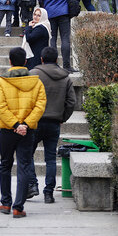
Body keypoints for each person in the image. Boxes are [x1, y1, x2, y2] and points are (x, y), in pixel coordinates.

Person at [0, 47, 46, 218]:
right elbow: (40, 106)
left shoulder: (2, 82)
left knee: (5, 164)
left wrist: (15, 124)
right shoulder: (36, 82)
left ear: (10, 61)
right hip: (27, 131)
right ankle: (18, 206)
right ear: (25, 61)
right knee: (24, 166)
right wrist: (25, 124)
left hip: (7, 130)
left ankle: (5, 203)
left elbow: (0, 107)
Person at [27, 46, 76, 203]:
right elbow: (71, 102)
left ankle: (32, 184)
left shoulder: (33, 74)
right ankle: (49, 193)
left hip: (35, 121)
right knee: (50, 159)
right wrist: (62, 118)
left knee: (27, 154)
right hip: (54, 121)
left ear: (41, 59)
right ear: (57, 60)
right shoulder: (66, 77)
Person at [34, 0, 80, 72]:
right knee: (65, 38)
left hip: (50, 12)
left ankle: (53, 65)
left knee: (52, 38)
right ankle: (67, 66)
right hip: (64, 11)